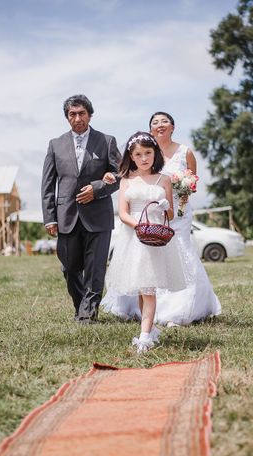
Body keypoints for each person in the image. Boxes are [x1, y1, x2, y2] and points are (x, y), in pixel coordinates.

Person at [101, 112, 222, 327]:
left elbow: (192, 181)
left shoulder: (185, 152)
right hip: (143, 216)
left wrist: (183, 189)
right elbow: (128, 181)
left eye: (164, 121)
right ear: (149, 129)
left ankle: (179, 309)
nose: (160, 125)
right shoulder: (142, 157)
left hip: (175, 213)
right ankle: (143, 309)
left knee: (180, 255)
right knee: (143, 260)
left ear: (173, 127)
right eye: (155, 122)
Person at [104, 132, 189, 353]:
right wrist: (139, 226)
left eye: (148, 153)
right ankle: (149, 329)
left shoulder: (164, 180)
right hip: (135, 237)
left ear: (155, 154)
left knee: (149, 289)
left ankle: (144, 338)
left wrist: (163, 205)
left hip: (156, 237)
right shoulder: (127, 181)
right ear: (131, 157)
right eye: (138, 154)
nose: (144, 158)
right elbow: (123, 213)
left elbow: (170, 211)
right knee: (143, 289)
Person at [41, 94, 120, 324]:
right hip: (66, 216)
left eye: (81, 113)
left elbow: (120, 175)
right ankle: (81, 307)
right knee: (69, 267)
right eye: (72, 114)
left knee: (95, 269)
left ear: (90, 115)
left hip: (98, 217)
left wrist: (98, 188)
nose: (77, 118)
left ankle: (87, 315)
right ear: (67, 118)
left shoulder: (107, 141)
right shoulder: (55, 145)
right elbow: (48, 184)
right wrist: (49, 217)